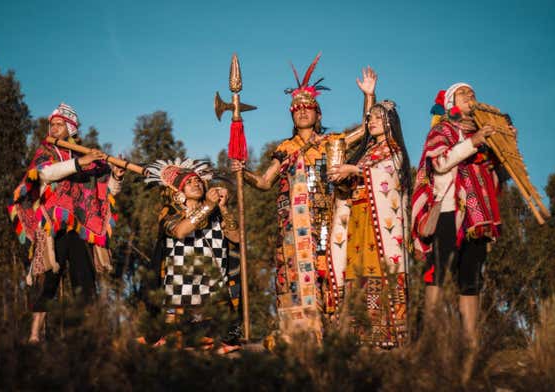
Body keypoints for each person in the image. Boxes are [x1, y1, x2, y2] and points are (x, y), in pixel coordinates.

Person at [231, 55, 376, 342]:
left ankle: (336, 335)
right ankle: (301, 337)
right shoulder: (285, 148)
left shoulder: (332, 142)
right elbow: (264, 182)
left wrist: (369, 96)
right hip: (292, 230)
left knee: (331, 272)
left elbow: (366, 129)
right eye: (297, 109)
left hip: (328, 220)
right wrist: (243, 171)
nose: (302, 112)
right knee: (295, 277)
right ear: (292, 115)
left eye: (308, 108)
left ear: (318, 114)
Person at [9, 103, 124, 343]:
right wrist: (79, 164)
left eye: (59, 124)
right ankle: (34, 336)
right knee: (47, 280)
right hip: (51, 227)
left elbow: (106, 191)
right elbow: (44, 173)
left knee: (85, 281)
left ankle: (89, 336)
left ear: (70, 128)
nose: (53, 128)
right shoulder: (46, 151)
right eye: (52, 124)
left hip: (78, 228)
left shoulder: (86, 159)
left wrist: (115, 175)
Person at [411, 83, 504, 348]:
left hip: (478, 220)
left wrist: (500, 151)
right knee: (437, 274)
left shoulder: (485, 139)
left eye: (473, 93)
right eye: (464, 94)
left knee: (471, 279)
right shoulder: (442, 130)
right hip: (450, 212)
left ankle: (471, 343)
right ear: (451, 102)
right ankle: (429, 338)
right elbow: (439, 164)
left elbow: (494, 182)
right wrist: (472, 143)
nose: (471, 96)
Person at [328, 98, 412, 348]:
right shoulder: (366, 153)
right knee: (356, 271)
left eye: (377, 117)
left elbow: (388, 176)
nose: (371, 121)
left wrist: (354, 171)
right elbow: (355, 179)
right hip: (358, 218)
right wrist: (341, 177)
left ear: (390, 122)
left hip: (379, 222)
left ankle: (384, 333)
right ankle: (360, 332)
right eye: (370, 118)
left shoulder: (394, 151)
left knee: (378, 269)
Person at [144, 158, 241, 352]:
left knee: (226, 338)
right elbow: (181, 231)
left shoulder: (216, 213)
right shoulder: (170, 211)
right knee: (177, 340)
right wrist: (208, 206)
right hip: (181, 295)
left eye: (197, 180)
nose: (195, 183)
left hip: (213, 295)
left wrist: (222, 207)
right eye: (189, 182)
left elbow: (236, 238)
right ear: (178, 191)